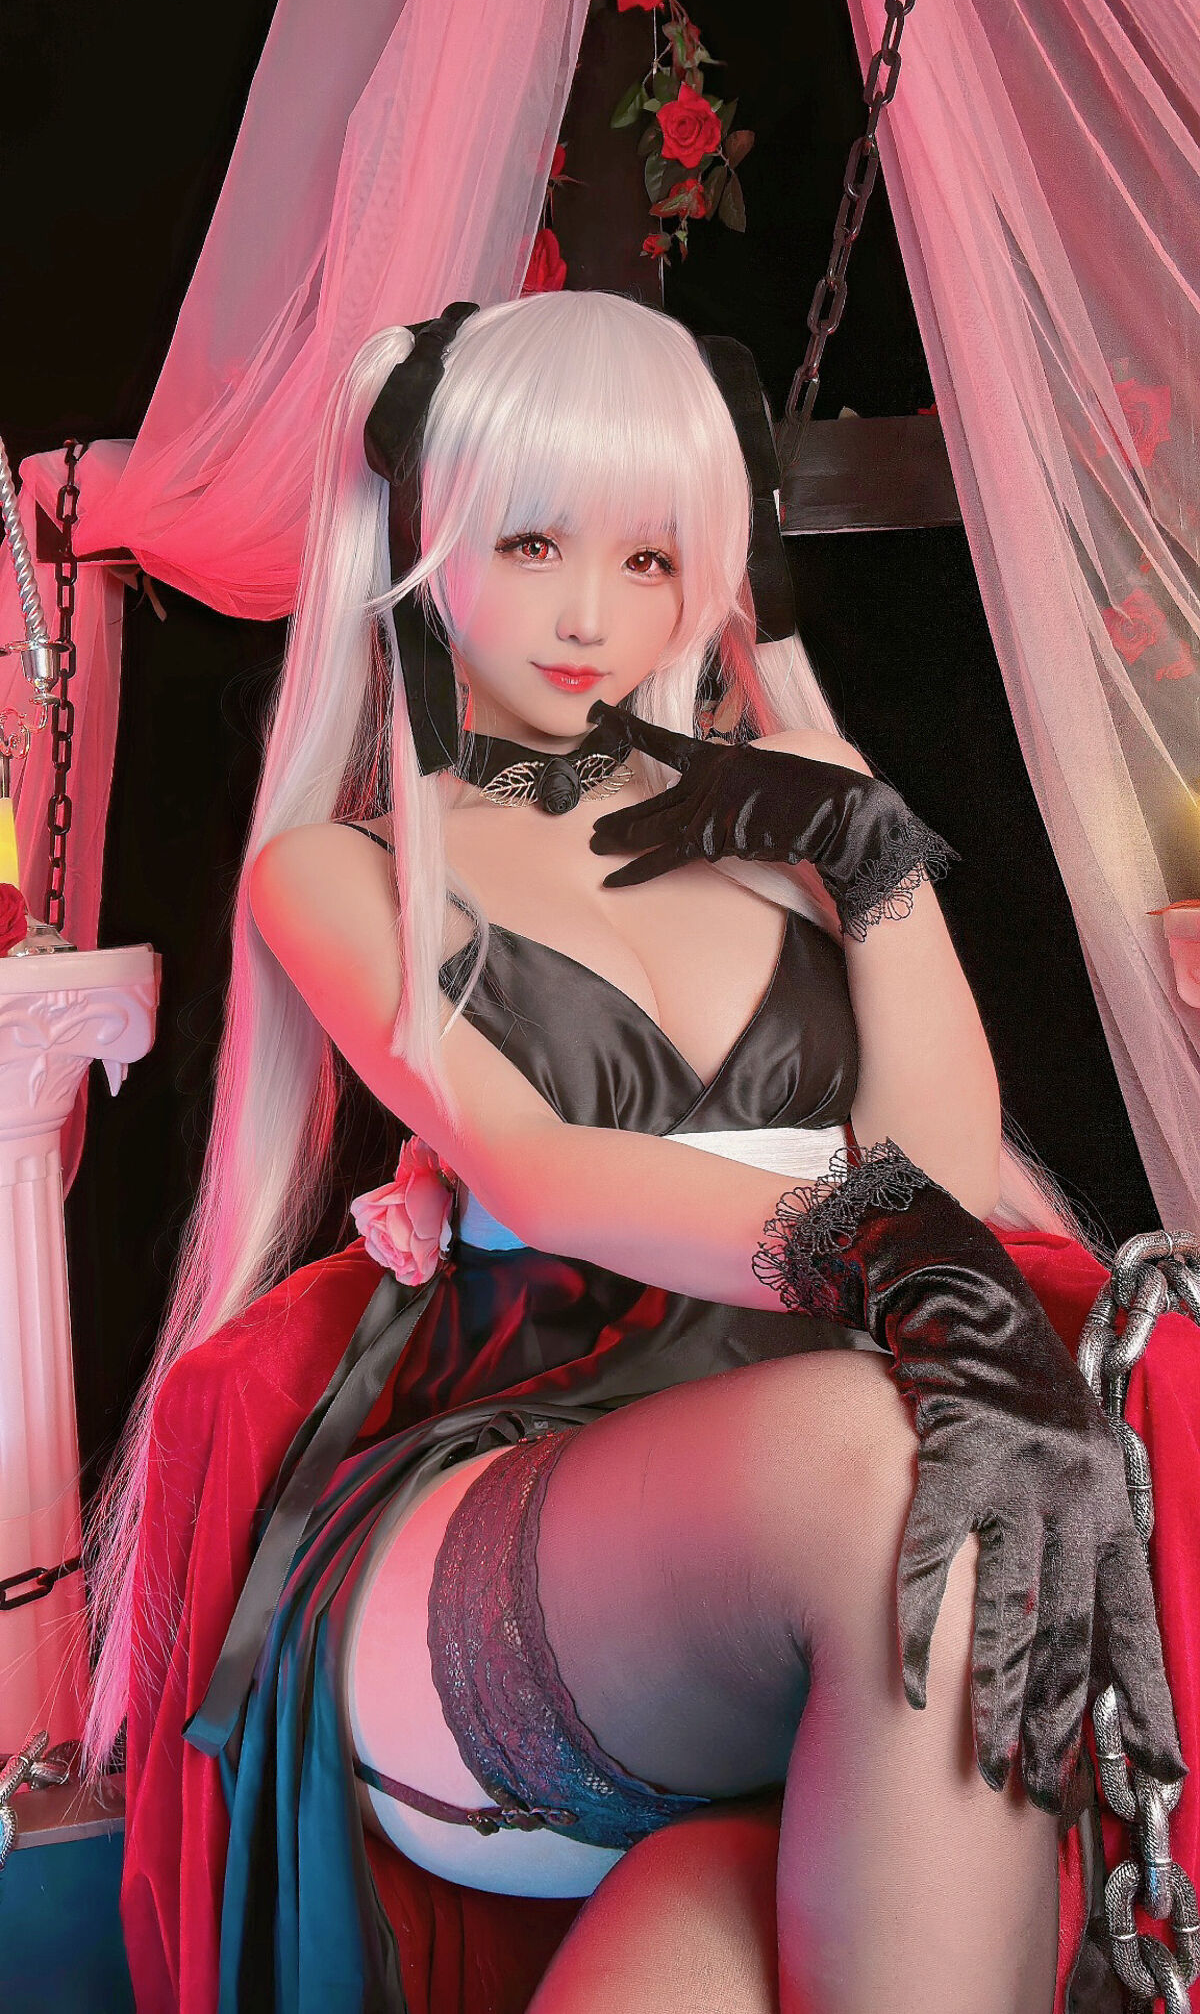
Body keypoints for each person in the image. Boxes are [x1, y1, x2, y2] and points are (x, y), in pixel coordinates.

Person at [87, 291, 1182, 2014]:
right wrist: (886, 1248)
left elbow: (941, 1163)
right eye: (532, 542)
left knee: (743, 1900)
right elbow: (540, 1168)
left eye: (653, 557)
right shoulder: (348, 867)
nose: (594, 613)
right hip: (511, 1500)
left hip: (797, 1585)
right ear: (429, 534)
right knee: (902, 1474)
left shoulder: (779, 813)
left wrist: (870, 853)